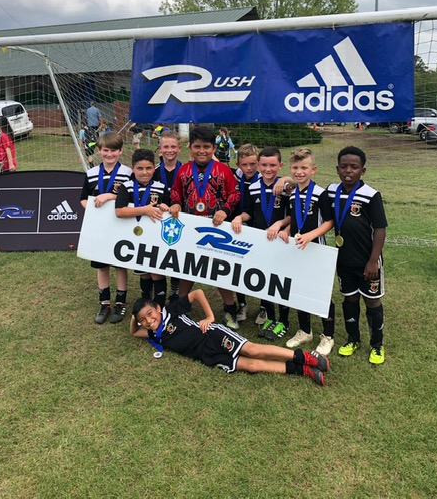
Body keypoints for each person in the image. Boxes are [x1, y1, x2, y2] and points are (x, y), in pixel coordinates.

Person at [130, 289, 330, 386]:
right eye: (143, 320)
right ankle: (302, 370)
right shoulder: (153, 333)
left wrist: (210, 317)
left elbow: (197, 293)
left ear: (158, 308)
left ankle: (305, 357)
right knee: (253, 366)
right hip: (205, 356)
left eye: (150, 314)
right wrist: (134, 319)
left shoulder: (170, 310)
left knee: (253, 350)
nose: (148, 321)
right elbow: (134, 332)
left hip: (211, 336)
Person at [319, 146, 387, 364]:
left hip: (367, 262)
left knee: (372, 302)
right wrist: (288, 183)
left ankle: (377, 345)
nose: (348, 171)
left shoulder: (371, 195)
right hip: (344, 260)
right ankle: (353, 339)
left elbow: (380, 229)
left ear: (362, 170)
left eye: (354, 167)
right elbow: (311, 194)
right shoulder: (331, 191)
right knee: (350, 299)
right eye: (344, 166)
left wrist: (373, 260)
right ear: (337, 169)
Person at [169, 125, 241, 329]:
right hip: (191, 229)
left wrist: (225, 210)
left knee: (219, 269)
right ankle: (181, 306)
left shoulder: (223, 170)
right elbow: (176, 191)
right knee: (188, 268)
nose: (202, 151)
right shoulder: (183, 170)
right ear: (190, 147)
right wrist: (176, 203)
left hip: (216, 228)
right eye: (197, 146)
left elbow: (235, 193)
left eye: (206, 147)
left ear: (213, 148)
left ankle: (230, 309)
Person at [274, 148, 336, 356]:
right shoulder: (293, 193)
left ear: (313, 169)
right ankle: (305, 331)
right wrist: (287, 230)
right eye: (295, 168)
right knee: (299, 289)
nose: (299, 172)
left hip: (317, 248)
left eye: (304, 168)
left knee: (321, 293)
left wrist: (310, 235)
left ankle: (328, 336)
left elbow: (329, 222)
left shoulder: (320, 193)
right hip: (298, 248)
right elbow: (295, 218)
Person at [231, 146, 290, 340]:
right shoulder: (253, 187)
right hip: (261, 241)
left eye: (272, 165)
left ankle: (284, 320)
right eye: (264, 165)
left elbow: (293, 214)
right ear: (259, 165)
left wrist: (280, 224)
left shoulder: (286, 187)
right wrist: (239, 217)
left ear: (280, 165)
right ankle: (270, 317)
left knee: (280, 280)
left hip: (280, 241)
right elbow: (248, 212)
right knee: (265, 279)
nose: (268, 169)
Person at [80, 132, 132, 324]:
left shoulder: (128, 173)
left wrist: (110, 196)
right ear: (99, 150)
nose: (109, 154)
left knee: (120, 264)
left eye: (114, 150)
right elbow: (83, 198)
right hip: (99, 229)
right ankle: (104, 304)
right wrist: (93, 211)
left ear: (120, 151)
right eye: (106, 150)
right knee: (101, 266)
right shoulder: (91, 173)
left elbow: (132, 197)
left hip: (120, 226)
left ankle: (120, 303)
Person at [116, 149, 170, 307]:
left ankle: (160, 307)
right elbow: (119, 211)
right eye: (140, 168)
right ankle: (146, 304)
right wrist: (144, 210)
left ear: (154, 168)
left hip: (155, 238)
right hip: (136, 238)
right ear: (132, 168)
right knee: (144, 273)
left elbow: (168, 207)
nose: (144, 172)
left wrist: (166, 206)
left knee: (157, 272)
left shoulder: (161, 187)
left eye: (148, 168)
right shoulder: (126, 187)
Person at [229, 143, 260, 322]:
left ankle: (264, 307)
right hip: (237, 227)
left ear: (258, 163)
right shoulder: (235, 175)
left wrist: (284, 178)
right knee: (237, 267)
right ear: (238, 164)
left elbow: (288, 181)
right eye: (244, 164)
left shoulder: (265, 178)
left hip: (258, 228)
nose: (249, 168)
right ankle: (242, 303)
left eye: (253, 164)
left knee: (260, 267)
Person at [153, 131, 182, 301]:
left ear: (179, 148)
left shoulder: (185, 170)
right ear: (160, 149)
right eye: (166, 147)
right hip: (158, 218)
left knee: (177, 255)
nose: (169, 150)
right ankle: (159, 291)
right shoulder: (153, 171)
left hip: (180, 219)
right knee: (159, 255)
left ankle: (176, 290)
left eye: (173, 146)